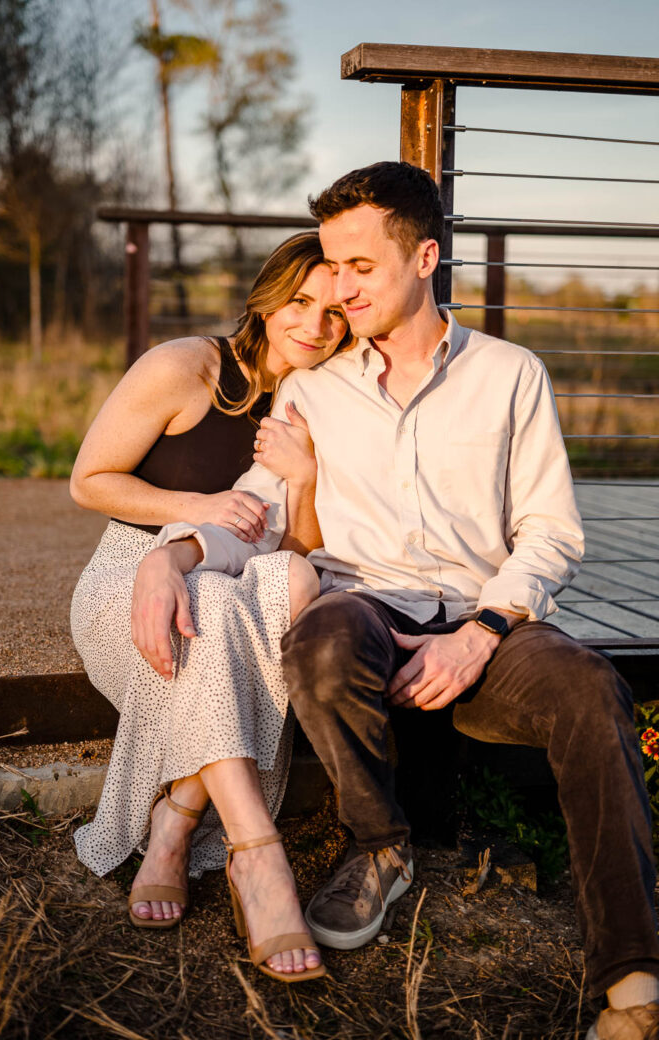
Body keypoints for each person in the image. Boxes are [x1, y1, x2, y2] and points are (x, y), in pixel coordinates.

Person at [132, 163, 659, 1038]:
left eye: (358, 268)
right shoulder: (312, 390)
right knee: (320, 641)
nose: (338, 290)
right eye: (331, 267)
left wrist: (482, 631)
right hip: (364, 606)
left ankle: (634, 980)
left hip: (487, 616)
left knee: (590, 688)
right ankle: (379, 845)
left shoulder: (510, 373)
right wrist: (174, 555)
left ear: (424, 258)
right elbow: (257, 517)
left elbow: (551, 533)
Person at [70, 231, 348, 980]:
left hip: (234, 590)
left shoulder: (322, 397)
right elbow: (89, 479)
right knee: (219, 607)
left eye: (334, 313)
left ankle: (176, 822)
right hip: (134, 576)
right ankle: (257, 859)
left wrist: (310, 478)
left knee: (279, 589)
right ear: (266, 297)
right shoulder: (185, 367)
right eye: (299, 302)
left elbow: (305, 550)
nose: (314, 327)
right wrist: (198, 511)